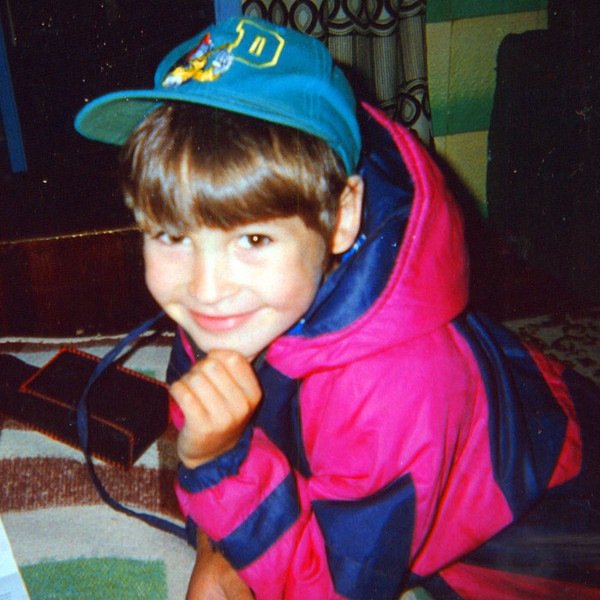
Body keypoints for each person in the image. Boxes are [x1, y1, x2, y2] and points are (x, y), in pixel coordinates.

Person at [75, 16, 600, 600]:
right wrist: (215, 544)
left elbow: (339, 588)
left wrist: (222, 464)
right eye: (172, 235)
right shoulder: (240, 304)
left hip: (550, 536)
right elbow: (205, 412)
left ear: (343, 217)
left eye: (253, 239)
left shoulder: (397, 386)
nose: (206, 288)